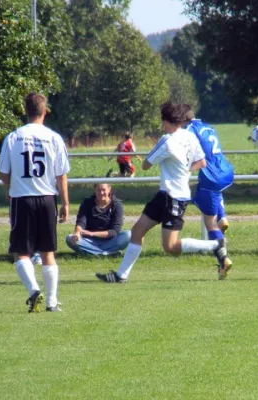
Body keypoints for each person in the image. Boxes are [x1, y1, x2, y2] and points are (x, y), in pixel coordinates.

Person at [96, 102, 231, 283]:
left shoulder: (167, 141)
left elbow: (145, 165)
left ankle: (216, 244)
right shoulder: (190, 136)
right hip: (165, 194)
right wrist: (184, 170)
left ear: (167, 121)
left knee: (171, 246)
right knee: (137, 230)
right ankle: (121, 275)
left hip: (174, 198)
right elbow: (202, 163)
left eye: (162, 121)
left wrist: (163, 158)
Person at [0, 93, 70, 313]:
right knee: (48, 252)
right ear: (45, 111)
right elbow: (61, 175)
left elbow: (3, 170)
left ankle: (33, 291)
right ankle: (51, 302)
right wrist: (65, 202)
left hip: (22, 199)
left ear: (25, 110)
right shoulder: (54, 138)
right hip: (47, 199)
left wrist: (9, 189)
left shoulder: (13, 137)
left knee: (22, 252)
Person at [182, 109, 234, 279]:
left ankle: (223, 259)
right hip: (225, 170)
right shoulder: (209, 127)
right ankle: (223, 216)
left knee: (209, 224)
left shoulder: (188, 130)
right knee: (214, 193)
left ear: (183, 119)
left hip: (210, 176)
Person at [65, 183, 131, 256]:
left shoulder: (117, 205)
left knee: (128, 235)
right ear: (94, 190)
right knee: (69, 238)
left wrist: (92, 234)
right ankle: (107, 253)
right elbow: (81, 222)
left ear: (109, 189)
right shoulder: (87, 203)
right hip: (89, 240)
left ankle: (93, 252)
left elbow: (115, 230)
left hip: (110, 240)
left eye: (103, 190)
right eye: (98, 190)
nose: (101, 193)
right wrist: (77, 233)